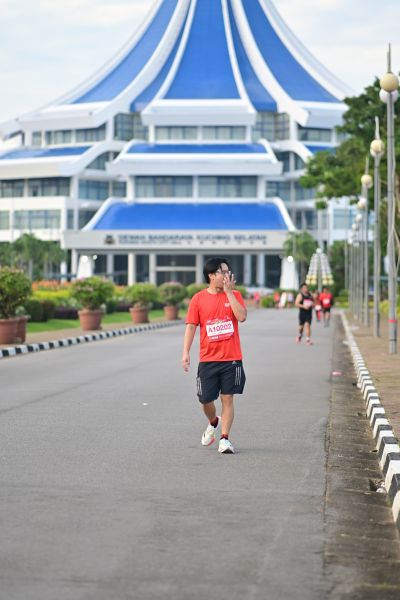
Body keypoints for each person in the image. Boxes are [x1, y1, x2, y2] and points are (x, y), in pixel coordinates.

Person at [182, 257, 247, 454]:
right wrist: (185, 352)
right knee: (205, 399)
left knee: (228, 398)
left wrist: (229, 294)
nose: (227, 275)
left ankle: (224, 439)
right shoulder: (198, 299)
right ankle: (213, 421)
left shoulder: (235, 295)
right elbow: (191, 326)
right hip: (208, 359)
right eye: (222, 272)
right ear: (211, 276)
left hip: (231, 358)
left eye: (228, 271)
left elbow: (242, 317)